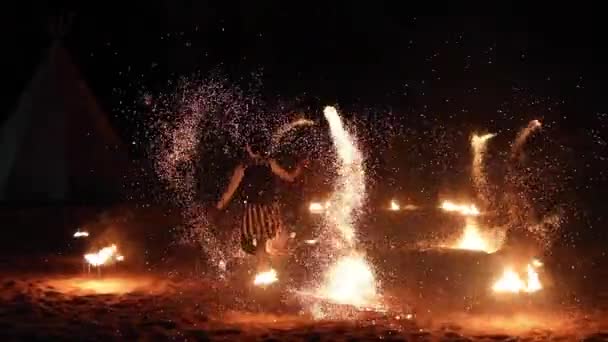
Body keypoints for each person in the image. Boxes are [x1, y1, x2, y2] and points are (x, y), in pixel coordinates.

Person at [216, 134, 307, 271]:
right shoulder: (269, 163)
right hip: (270, 210)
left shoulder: (243, 167)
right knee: (260, 244)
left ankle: (264, 266)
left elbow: (230, 191)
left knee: (247, 245)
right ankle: (266, 262)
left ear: (249, 149)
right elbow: (290, 177)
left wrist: (220, 205)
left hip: (255, 211)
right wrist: (299, 168)